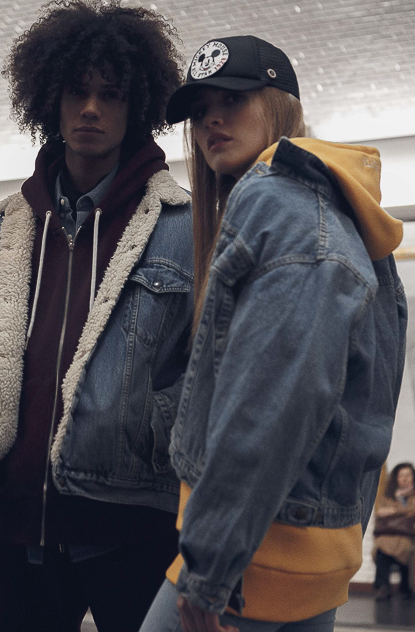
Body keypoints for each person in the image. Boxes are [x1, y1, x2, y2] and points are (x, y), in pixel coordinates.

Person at [139, 35, 408, 632]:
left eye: (233, 99)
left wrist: (210, 566)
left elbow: (273, 401)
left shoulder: (277, 203)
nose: (212, 119)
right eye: (200, 110)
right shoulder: (346, 210)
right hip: (317, 551)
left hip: (252, 555)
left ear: (281, 105)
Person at [0, 0, 193, 632]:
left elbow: (206, 372)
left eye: (111, 94)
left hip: (131, 524)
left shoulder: (183, 225)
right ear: (49, 100)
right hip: (11, 528)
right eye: (77, 92)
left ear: (138, 106)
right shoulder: (11, 226)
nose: (90, 109)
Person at [373, 462, 415, 601]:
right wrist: (404, 512)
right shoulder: (388, 496)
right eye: (401, 475)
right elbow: (380, 512)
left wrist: (394, 511)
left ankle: (405, 587)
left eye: (408, 475)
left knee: (405, 547)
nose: (405, 478)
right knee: (381, 547)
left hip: (408, 536)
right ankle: (383, 586)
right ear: (396, 478)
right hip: (388, 534)